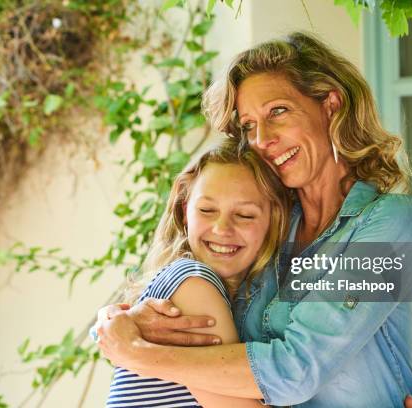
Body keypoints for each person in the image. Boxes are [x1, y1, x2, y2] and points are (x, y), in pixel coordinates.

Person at [96, 32, 412, 407]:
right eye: (249, 125)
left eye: (278, 112)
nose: (262, 139)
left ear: (330, 105)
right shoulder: (267, 223)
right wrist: (117, 321)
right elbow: (190, 297)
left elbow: (297, 370)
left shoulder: (390, 222)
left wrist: (138, 353)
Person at [95, 138, 291, 407]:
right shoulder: (193, 282)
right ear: (184, 210)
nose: (222, 229)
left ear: (274, 219)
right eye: (207, 210)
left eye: (245, 215)